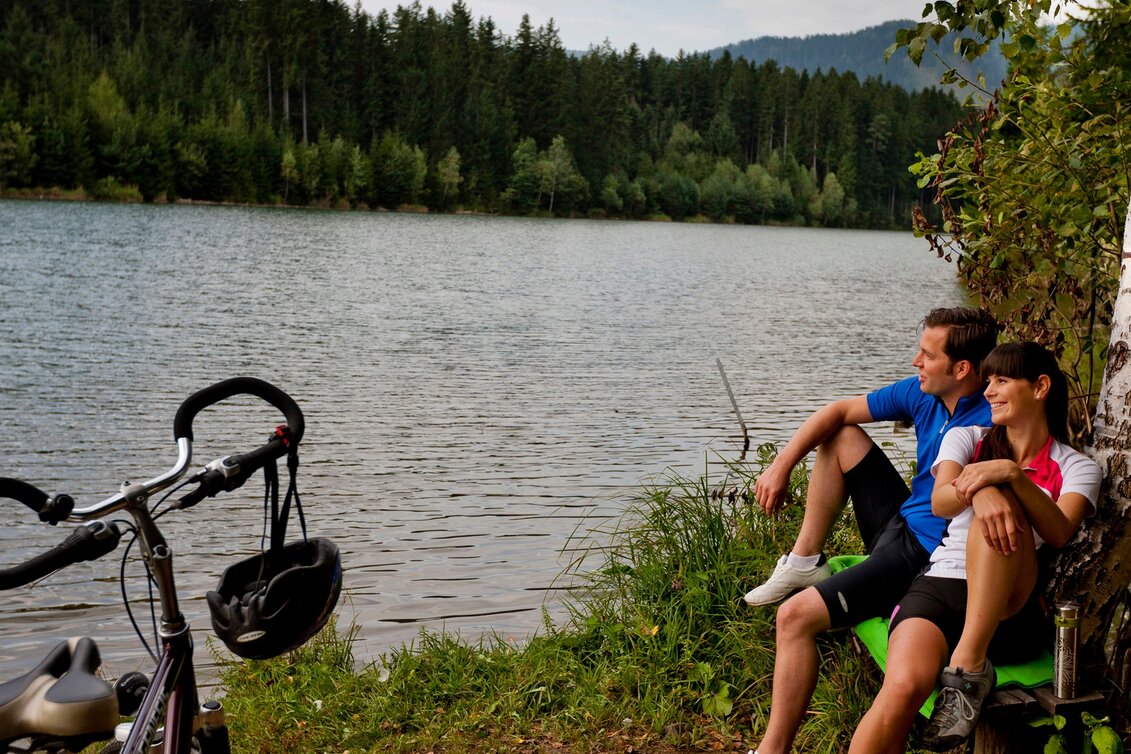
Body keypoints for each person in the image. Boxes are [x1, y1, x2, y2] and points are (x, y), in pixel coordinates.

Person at [745, 306, 1000, 754]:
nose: (916, 362)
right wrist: (781, 465)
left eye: (926, 355)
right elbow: (839, 410)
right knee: (842, 433)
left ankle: (771, 751)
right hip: (902, 519)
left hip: (922, 553)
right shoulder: (927, 393)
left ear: (961, 369)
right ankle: (805, 561)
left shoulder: (990, 421)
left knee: (794, 618)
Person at [848, 342, 1102, 753]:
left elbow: (1058, 531)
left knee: (1001, 513)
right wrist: (985, 489)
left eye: (1002, 380)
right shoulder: (969, 438)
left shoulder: (1077, 466)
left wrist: (1010, 478)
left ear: (1040, 387)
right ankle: (964, 670)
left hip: (1009, 608)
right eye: (987, 381)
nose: (988, 391)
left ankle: (969, 666)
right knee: (903, 686)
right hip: (940, 585)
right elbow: (940, 501)